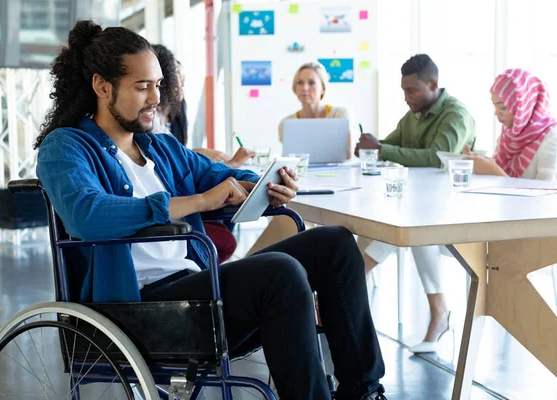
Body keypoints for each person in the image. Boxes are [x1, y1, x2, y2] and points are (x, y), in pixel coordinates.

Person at [34, 21, 386, 400]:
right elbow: (89, 215)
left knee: (334, 244)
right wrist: (199, 202)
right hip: (138, 309)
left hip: (196, 291)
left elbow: (221, 175)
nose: (156, 97)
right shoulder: (65, 147)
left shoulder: (160, 148)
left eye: (157, 84)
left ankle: (361, 390)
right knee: (279, 273)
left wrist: (265, 184)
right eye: (142, 86)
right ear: (103, 86)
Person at [354, 54, 476, 353]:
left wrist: (382, 149)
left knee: (407, 226)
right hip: (421, 206)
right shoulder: (413, 114)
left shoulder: (456, 115)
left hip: (458, 209)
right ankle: (437, 313)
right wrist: (373, 146)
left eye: (412, 90)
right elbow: (389, 146)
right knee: (393, 223)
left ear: (434, 84)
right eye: (403, 90)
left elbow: (439, 157)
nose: (406, 97)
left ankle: (347, 284)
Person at [248, 61, 354, 255]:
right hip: (304, 184)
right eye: (300, 82)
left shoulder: (339, 114)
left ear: (322, 87)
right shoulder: (286, 123)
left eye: (311, 82)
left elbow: (346, 153)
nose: (305, 88)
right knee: (288, 212)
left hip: (337, 184)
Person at [152, 43, 240, 262]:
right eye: (176, 76)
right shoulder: (148, 126)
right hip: (173, 221)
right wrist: (201, 200)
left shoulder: (172, 117)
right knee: (227, 237)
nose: (180, 82)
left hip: (182, 209)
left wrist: (259, 182)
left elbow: (190, 162)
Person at [152, 44, 255, 169]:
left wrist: (197, 153)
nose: (182, 82)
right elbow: (173, 161)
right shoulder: (151, 119)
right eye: (177, 73)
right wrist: (232, 164)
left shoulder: (172, 114)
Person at [464, 68, 557, 180]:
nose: (496, 113)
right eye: (495, 106)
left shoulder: (552, 138)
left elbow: (547, 194)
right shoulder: (509, 134)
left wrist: (493, 171)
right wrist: (481, 162)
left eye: (502, 107)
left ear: (524, 106)